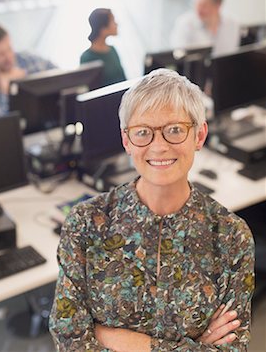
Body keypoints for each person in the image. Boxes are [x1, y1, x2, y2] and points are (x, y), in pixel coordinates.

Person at [49, 68, 254, 351]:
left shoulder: (231, 236)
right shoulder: (86, 223)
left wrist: (120, 339)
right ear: (126, 141)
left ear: (199, 135)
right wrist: (194, 346)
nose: (158, 146)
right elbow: (68, 339)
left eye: (174, 130)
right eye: (143, 132)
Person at [0, 23, 56, 120]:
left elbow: (64, 80)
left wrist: (27, 83)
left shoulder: (29, 60)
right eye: (1, 54)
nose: (8, 58)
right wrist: (6, 93)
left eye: (9, 49)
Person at [170, 0, 241, 56]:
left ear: (218, 5)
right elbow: (178, 55)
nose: (199, 10)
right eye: (197, 4)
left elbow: (232, 54)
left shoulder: (232, 25)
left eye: (204, 6)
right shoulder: (185, 23)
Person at [80, 8, 126, 86]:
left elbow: (123, 79)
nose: (117, 24)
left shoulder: (112, 50)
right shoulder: (87, 57)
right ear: (103, 28)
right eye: (113, 21)